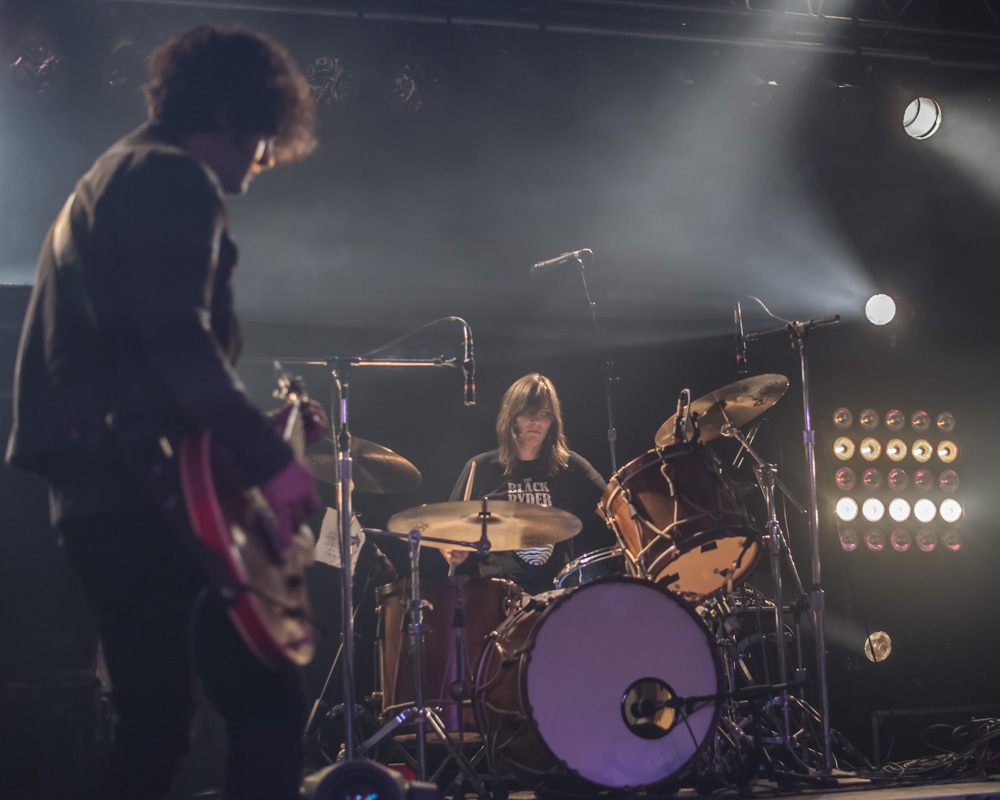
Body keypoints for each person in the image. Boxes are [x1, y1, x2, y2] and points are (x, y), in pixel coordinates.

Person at [5, 26, 322, 800]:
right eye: (260, 136)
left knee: (155, 727)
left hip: (99, 500)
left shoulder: (111, 177)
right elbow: (177, 343)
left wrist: (266, 432)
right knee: (267, 702)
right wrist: (273, 463)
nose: (262, 160)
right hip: (142, 496)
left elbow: (144, 357)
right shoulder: (169, 178)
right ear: (224, 113)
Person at [443, 373, 611, 595]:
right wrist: (451, 549)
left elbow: (614, 506)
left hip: (558, 594)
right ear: (512, 417)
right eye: (528, 413)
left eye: (545, 415)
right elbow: (446, 530)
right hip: (499, 598)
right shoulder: (480, 468)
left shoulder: (570, 466)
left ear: (553, 422)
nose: (537, 422)